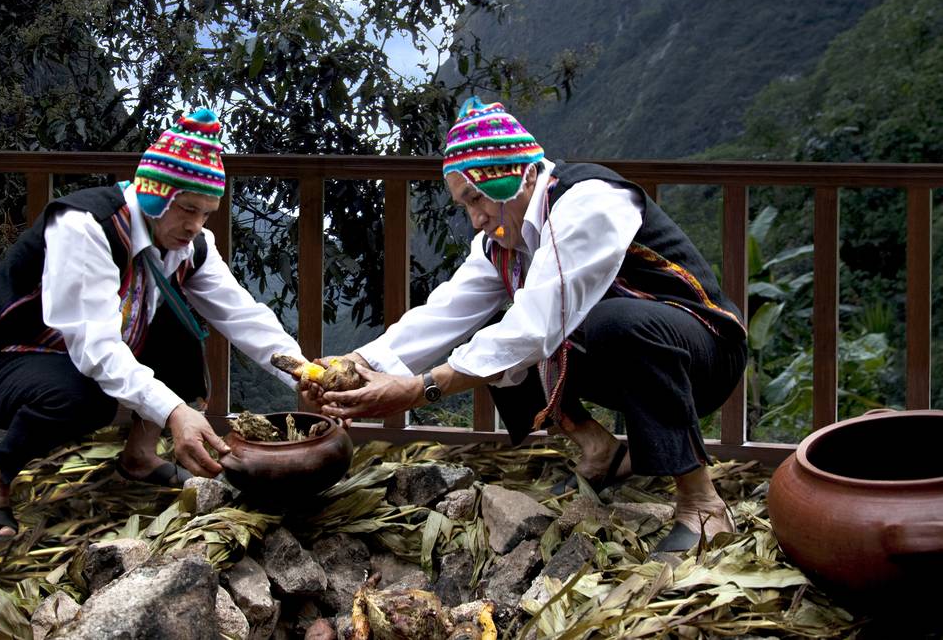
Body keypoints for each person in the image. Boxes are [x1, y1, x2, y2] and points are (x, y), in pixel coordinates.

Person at [314, 97, 747, 553]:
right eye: (465, 205)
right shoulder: (502, 242)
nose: (475, 218)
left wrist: (422, 387)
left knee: (600, 324)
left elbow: (537, 325)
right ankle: (599, 450)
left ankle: (702, 503)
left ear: (519, 176)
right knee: (494, 339)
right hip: (631, 361)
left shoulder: (590, 200)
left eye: (476, 198)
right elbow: (446, 312)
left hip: (704, 352)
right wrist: (356, 363)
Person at [0, 108, 308, 542]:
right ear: (155, 196)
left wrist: (305, 374)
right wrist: (176, 412)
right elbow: (96, 349)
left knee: (182, 336)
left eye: (206, 213)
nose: (195, 225)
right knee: (86, 397)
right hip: (5, 361)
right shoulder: (86, 226)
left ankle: (139, 457)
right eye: (187, 209)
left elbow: (241, 314)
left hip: (89, 351)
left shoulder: (192, 243)